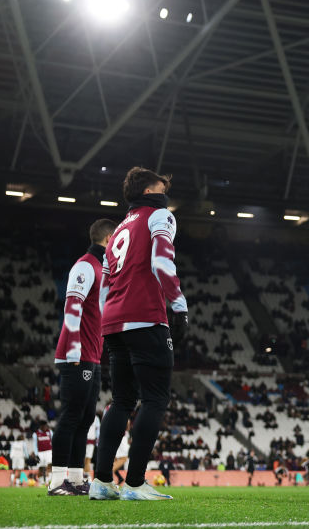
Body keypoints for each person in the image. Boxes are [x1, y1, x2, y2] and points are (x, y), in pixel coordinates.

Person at [90, 167, 188, 501]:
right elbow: (162, 261)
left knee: (121, 400)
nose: (167, 191)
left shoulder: (117, 230)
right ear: (149, 190)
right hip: (145, 317)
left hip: (113, 321)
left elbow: (105, 280)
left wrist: (108, 318)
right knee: (155, 399)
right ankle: (134, 483)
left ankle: (101, 481)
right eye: (163, 185)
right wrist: (179, 305)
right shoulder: (159, 215)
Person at [49, 219, 116, 496]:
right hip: (77, 354)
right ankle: (55, 481)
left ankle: (76, 480)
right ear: (110, 238)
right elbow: (73, 304)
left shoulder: (102, 269)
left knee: (86, 417)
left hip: (92, 354)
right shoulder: (86, 265)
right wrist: (74, 349)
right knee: (71, 416)